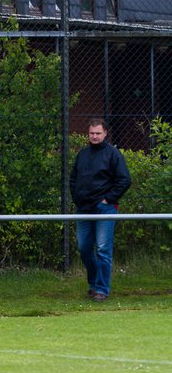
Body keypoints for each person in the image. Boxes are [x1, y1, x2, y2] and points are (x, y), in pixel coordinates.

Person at [70, 118, 131, 301]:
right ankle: (94, 282)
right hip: (83, 208)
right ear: (88, 134)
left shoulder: (113, 154)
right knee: (84, 248)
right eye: (91, 133)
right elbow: (73, 179)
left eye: (98, 133)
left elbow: (124, 180)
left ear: (105, 133)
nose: (94, 136)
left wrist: (108, 200)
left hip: (104, 209)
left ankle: (102, 290)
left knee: (103, 249)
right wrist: (77, 197)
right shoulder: (82, 154)